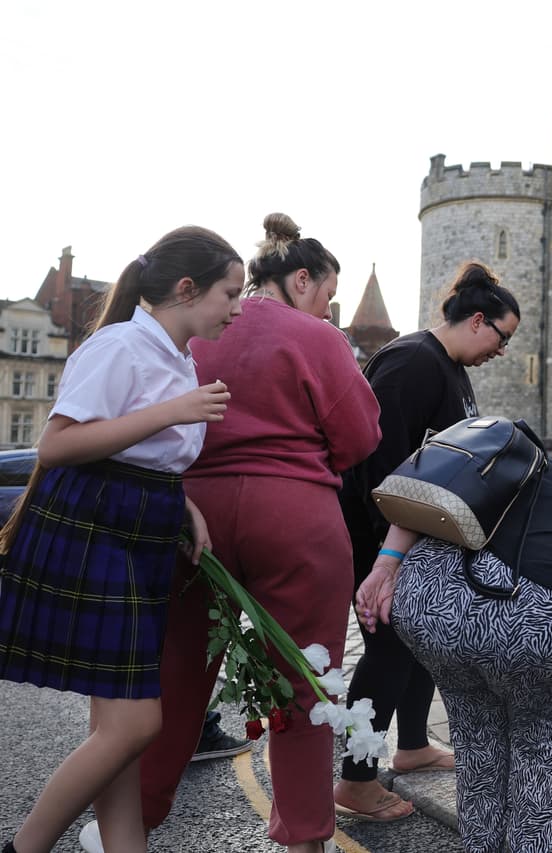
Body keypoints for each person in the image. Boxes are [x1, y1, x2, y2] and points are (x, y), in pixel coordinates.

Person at [132, 213, 381, 853]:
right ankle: (304, 839)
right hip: (296, 514)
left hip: (193, 511)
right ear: (301, 280)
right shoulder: (318, 338)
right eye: (327, 294)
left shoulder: (192, 331)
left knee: (177, 676)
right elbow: (360, 439)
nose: (328, 309)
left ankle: (131, 823)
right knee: (305, 681)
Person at [0, 226, 244, 853]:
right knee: (133, 725)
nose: (237, 309)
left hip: (144, 529)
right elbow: (57, 445)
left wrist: (183, 504)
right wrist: (173, 411)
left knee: (119, 728)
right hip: (98, 526)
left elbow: (145, 455)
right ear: (187, 289)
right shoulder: (120, 346)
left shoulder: (178, 357)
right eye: (230, 294)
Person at [357, 432, 552, 852]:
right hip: (534, 629)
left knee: (476, 739)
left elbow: (425, 493)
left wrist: (385, 566)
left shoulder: (509, 466)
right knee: (534, 740)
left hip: (433, 609)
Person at [334, 260, 519, 821]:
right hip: (381, 537)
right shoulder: (413, 360)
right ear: (478, 320)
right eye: (503, 337)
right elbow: (378, 461)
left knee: (420, 642)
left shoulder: (450, 367)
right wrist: (389, 554)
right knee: (388, 650)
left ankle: (412, 746)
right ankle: (356, 780)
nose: (502, 351)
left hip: (418, 536)